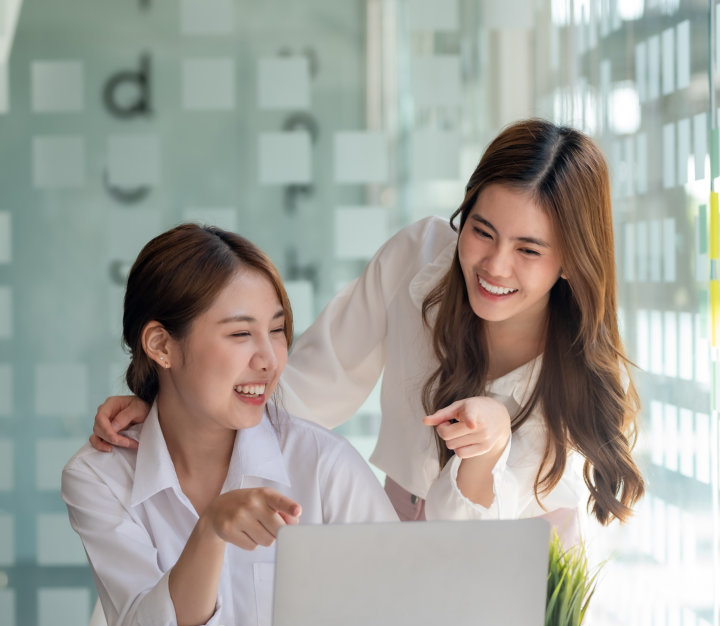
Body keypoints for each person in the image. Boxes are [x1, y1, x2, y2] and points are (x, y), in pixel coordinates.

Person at [90, 118, 644, 544]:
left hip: (522, 564)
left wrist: (491, 445)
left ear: (570, 260)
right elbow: (307, 388)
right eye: (482, 231)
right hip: (399, 524)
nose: (495, 266)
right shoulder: (418, 257)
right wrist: (182, 406)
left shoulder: (580, 377)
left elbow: (465, 533)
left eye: (528, 250)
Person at [62, 224, 397, 626]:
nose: (269, 359)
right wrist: (209, 532)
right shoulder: (100, 476)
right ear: (162, 346)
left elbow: (405, 619)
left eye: (276, 330)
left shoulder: (323, 467)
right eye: (240, 334)